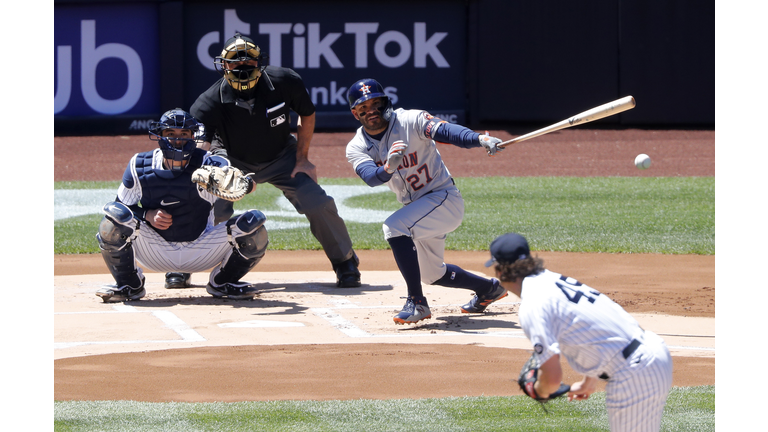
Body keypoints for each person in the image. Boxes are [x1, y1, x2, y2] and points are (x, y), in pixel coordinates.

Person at [190, 33, 360, 288]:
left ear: (260, 64)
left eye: (248, 62)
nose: (242, 68)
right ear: (223, 65)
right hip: (233, 161)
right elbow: (200, 146)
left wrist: (303, 158)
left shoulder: (285, 81)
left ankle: (344, 261)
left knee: (316, 201)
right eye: (235, 63)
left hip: (283, 156)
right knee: (209, 205)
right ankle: (185, 264)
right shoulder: (208, 102)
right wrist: (203, 175)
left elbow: (307, 114)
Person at [344, 78, 507, 324]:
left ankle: (417, 302)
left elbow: (447, 131)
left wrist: (479, 139)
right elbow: (370, 177)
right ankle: (489, 289)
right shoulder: (356, 146)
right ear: (355, 113)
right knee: (432, 274)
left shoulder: (411, 120)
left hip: (443, 199)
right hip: (418, 210)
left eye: (376, 104)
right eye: (364, 108)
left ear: (385, 104)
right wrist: (387, 168)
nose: (371, 111)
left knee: (394, 227)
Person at [485, 232, 673, 432]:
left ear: (500, 270)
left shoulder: (533, 304)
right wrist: (589, 380)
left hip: (634, 372)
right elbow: (595, 325)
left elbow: (552, 378)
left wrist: (538, 390)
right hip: (652, 353)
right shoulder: (552, 279)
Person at [95, 109, 269, 302]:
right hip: (154, 249)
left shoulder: (209, 163)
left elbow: (244, 182)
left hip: (202, 248)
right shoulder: (139, 165)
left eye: (184, 134)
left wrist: (245, 185)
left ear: (193, 137)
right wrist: (147, 214)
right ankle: (129, 284)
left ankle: (223, 282)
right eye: (171, 134)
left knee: (255, 226)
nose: (177, 140)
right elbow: (120, 207)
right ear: (160, 136)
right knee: (111, 223)